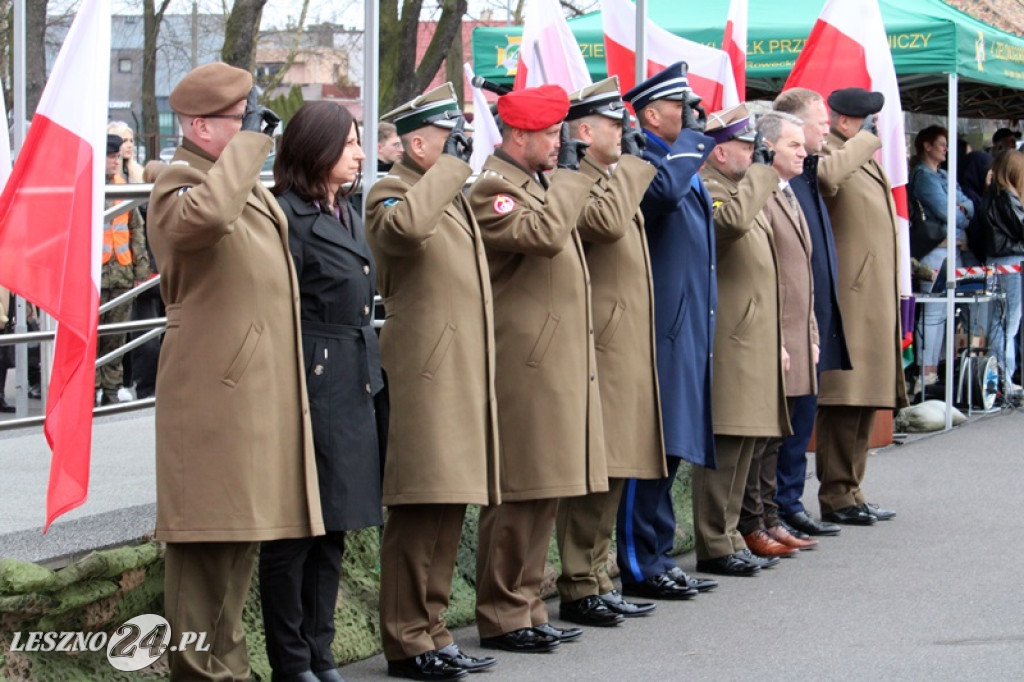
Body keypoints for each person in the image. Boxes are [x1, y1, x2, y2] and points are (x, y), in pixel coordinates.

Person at [147, 62, 323, 681]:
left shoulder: (235, 182)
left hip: (250, 396)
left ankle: (231, 670)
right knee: (205, 553)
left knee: (238, 547)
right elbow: (206, 221)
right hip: (213, 399)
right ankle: (200, 673)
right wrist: (249, 146)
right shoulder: (177, 185)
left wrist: (243, 144)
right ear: (199, 126)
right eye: (240, 119)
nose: (257, 130)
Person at [366, 83, 499, 681]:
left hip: (459, 369)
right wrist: (449, 168)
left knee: (449, 504)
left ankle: (434, 629)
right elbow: (406, 233)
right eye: (447, 140)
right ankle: (406, 639)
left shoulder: (444, 192)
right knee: (421, 506)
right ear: (417, 143)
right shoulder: (390, 194)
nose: (460, 150)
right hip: (423, 371)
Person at [468, 84, 604, 654]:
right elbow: (545, 237)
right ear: (518, 136)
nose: (560, 142)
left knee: (546, 486)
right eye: (550, 133)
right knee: (521, 487)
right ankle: (502, 612)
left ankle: (525, 603)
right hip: (522, 361)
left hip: (553, 359)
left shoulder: (537, 184)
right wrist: (572, 177)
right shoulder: (494, 190)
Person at [259, 100, 383, 682]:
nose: (360, 152)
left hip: (352, 374)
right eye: (350, 142)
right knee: (295, 532)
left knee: (333, 526)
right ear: (317, 149)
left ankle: (320, 652)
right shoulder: (284, 215)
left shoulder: (346, 210)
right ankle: (292, 661)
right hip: (310, 375)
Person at [553, 77, 664, 628]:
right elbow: (604, 223)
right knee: (598, 467)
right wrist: (634, 171)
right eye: (615, 124)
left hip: (622, 339)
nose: (626, 131)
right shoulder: (579, 179)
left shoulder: (610, 176)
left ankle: (599, 575)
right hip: (600, 340)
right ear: (583, 130)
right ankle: (578, 581)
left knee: (617, 462)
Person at [617, 61, 719, 599]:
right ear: (651, 114)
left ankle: (656, 551)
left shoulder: (680, 159)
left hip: (688, 323)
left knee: (673, 444)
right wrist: (693, 141)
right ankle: (637, 560)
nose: (691, 114)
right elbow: (662, 197)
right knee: (651, 446)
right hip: (660, 325)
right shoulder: (646, 160)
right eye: (680, 107)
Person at [696, 104, 790, 575]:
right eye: (746, 146)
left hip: (753, 335)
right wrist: (759, 175)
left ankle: (732, 533)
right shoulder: (712, 189)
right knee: (728, 441)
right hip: (731, 337)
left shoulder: (739, 189)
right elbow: (727, 227)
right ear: (718, 151)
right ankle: (715, 541)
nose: (754, 154)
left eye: (756, 146)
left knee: (748, 441)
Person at [815, 87, 907, 526]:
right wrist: (862, 141)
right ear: (849, 121)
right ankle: (835, 493)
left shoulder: (860, 156)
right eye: (870, 122)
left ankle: (852, 489)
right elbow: (827, 179)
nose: (876, 131)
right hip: (849, 298)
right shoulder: (831, 151)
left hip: (871, 297)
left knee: (866, 398)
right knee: (844, 400)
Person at [738, 111, 820, 555]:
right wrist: (782, 340)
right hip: (773, 333)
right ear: (768, 147)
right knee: (764, 435)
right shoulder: (761, 193)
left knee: (780, 434)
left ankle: (769, 516)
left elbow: (799, 273)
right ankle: (756, 521)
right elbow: (766, 277)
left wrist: (809, 331)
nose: (803, 151)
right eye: (793, 145)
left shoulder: (785, 192)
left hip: (793, 333)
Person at [771, 88, 848, 538]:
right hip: (786, 321)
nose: (826, 128)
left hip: (809, 318)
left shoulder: (808, 172)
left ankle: (788, 501)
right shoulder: (783, 179)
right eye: (820, 122)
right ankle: (780, 503)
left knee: (802, 417)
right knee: (785, 421)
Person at [908, 125, 974, 393]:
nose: (946, 149)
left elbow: (968, 205)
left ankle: (938, 366)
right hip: (935, 249)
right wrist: (960, 213)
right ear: (926, 146)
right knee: (934, 309)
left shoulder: (945, 174)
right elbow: (951, 212)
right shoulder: (923, 177)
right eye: (941, 144)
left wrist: (960, 210)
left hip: (952, 247)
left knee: (949, 309)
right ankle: (926, 371)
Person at [97, 133, 151, 405]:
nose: (115, 162)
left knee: (116, 337)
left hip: (121, 272)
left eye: (118, 157)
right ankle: (90, 388)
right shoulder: (89, 186)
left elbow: (135, 229)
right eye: (111, 157)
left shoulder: (123, 186)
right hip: (94, 277)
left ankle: (111, 389)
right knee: (92, 337)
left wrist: (141, 271)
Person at [977, 150, 1024, 393]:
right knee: (1008, 322)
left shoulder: (993, 194)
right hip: (1010, 264)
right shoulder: (1007, 197)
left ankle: (999, 378)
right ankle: (1002, 378)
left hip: (1000, 262)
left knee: (1001, 321)